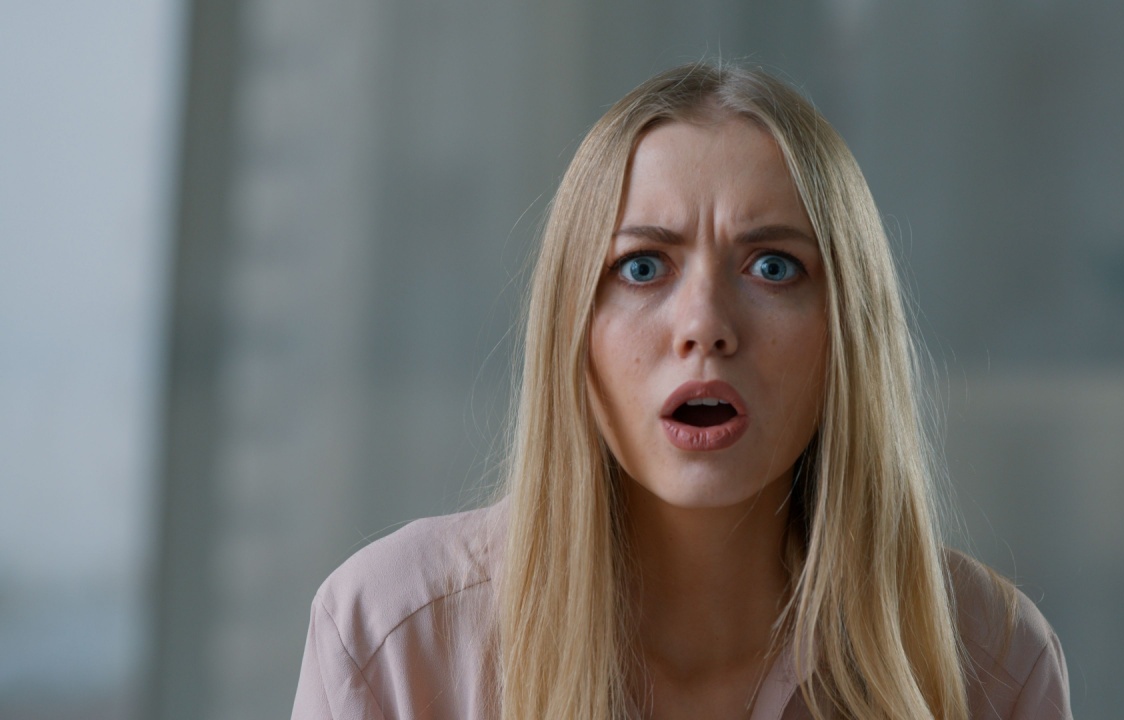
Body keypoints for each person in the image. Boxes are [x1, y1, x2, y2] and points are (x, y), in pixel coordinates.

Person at [290, 61, 1072, 720]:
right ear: (571, 327)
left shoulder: (996, 666)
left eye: (773, 267)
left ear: (848, 334)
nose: (705, 326)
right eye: (642, 267)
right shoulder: (390, 641)